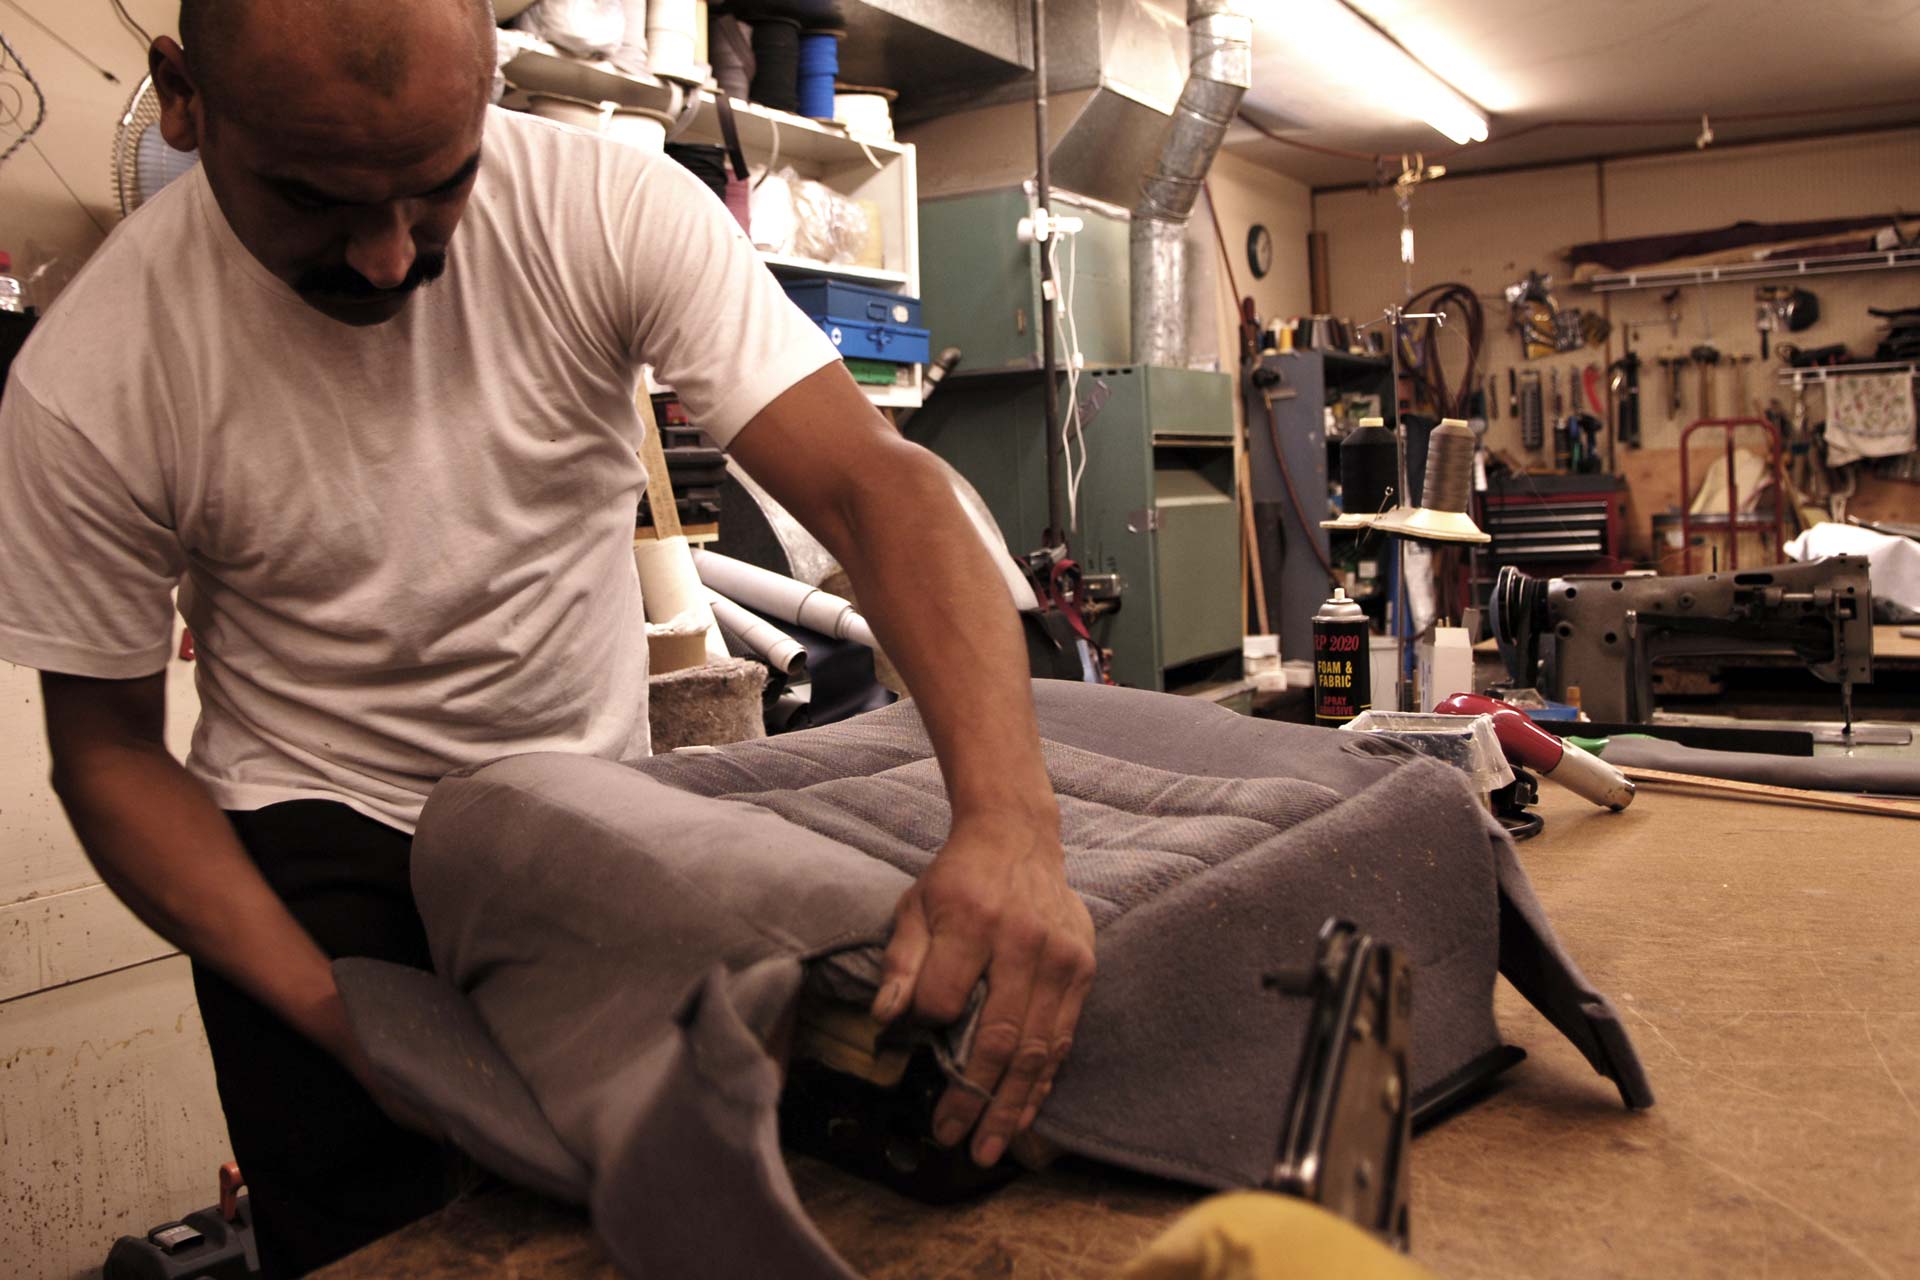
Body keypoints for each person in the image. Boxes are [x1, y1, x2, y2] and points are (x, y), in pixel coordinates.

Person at [0, 1, 1094, 1273]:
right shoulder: (95, 375)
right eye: (316, 198)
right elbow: (112, 754)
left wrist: (1011, 825)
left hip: (585, 812)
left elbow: (872, 484)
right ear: (184, 101)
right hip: (316, 836)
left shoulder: (605, 207)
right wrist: (337, 1017)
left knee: (647, 1219)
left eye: (437, 187)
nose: (384, 257)